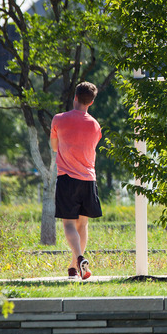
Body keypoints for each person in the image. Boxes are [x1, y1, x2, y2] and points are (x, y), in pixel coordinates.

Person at [50, 81, 102, 280]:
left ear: (75, 97)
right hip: (88, 179)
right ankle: (74, 267)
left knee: (69, 224)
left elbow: (55, 147)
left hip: (67, 178)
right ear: (91, 102)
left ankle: (79, 257)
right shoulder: (95, 125)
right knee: (83, 225)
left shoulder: (59, 119)